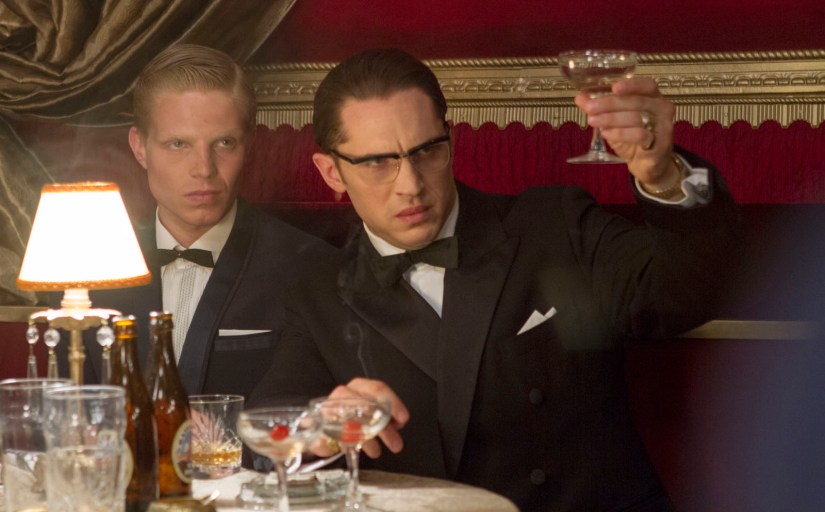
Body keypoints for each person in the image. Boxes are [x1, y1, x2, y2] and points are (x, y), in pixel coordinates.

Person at [249, 48, 739, 511]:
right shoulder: (318, 296)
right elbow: (268, 429)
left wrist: (664, 176)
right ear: (331, 173)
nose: (410, 184)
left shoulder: (553, 223)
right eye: (378, 162)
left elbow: (689, 291)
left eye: (427, 151)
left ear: (452, 140)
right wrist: (321, 424)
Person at [61, 44, 332, 400]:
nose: (203, 169)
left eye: (224, 143)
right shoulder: (89, 273)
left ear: (249, 145)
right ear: (140, 147)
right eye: (178, 144)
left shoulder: (311, 269)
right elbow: (66, 417)